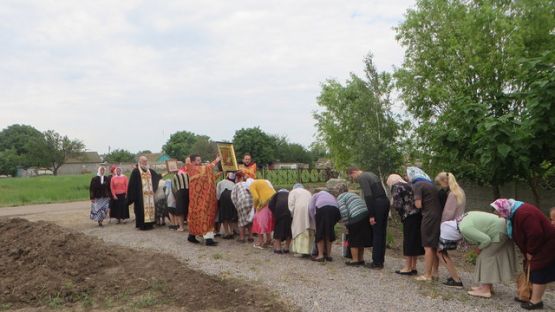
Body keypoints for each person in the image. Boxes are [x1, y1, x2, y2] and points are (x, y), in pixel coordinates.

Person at [491, 199, 555, 310]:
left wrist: (531, 251)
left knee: (538, 269)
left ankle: (536, 302)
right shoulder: (515, 213)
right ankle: (528, 296)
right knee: (534, 269)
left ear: (505, 209)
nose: (499, 216)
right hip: (541, 244)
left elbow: (535, 233)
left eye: (499, 213)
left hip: (547, 244)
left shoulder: (524, 213)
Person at [458, 211, 518, 298]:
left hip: (499, 232)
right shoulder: (464, 218)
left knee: (484, 257)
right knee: (488, 257)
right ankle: (487, 287)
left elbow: (486, 240)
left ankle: (485, 290)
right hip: (503, 228)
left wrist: (479, 249)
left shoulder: (464, 227)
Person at [348, 167, 390, 269]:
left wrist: (371, 215)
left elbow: (368, 196)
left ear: (353, 172)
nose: (354, 179)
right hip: (385, 202)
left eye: (352, 177)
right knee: (382, 233)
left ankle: (376, 262)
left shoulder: (362, 177)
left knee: (376, 233)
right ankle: (380, 261)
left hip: (377, 204)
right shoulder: (371, 174)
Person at [406, 166, 441, 281]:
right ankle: (435, 272)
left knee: (428, 246)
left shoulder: (417, 185)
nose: (407, 178)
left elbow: (419, 205)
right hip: (437, 216)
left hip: (428, 217)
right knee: (434, 246)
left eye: (407, 175)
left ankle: (427, 275)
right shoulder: (429, 184)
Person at [387, 174, 424, 276]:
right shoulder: (410, 185)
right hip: (418, 215)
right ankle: (413, 266)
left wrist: (396, 210)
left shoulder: (396, 186)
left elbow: (397, 204)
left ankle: (407, 267)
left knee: (408, 240)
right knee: (415, 241)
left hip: (408, 216)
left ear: (391, 182)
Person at [435, 172, 466, 288]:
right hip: (458, 225)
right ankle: (454, 276)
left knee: (440, 251)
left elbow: (448, 213)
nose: (440, 186)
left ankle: (456, 279)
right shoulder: (460, 191)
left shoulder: (452, 194)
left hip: (450, 226)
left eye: (440, 183)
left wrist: (440, 224)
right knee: (443, 251)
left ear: (445, 181)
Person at [185, 154, 221, 246]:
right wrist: (216, 160)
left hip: (201, 199)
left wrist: (220, 173)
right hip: (199, 199)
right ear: (192, 161)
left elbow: (209, 177)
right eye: (197, 160)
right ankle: (208, 240)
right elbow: (207, 168)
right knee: (204, 216)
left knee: (197, 217)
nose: (200, 162)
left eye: (200, 160)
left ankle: (191, 236)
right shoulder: (191, 168)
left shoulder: (199, 169)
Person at [337, 185, 372, 266]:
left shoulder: (340, 197)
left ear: (338, 192)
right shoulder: (353, 195)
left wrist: (347, 224)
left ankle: (355, 260)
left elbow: (343, 211)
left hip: (356, 216)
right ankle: (361, 259)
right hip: (366, 214)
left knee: (353, 238)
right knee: (361, 237)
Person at [127, 156, 161, 230]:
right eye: (143, 161)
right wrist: (133, 196)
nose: (145, 163)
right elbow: (132, 185)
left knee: (150, 209)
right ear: (140, 162)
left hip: (150, 196)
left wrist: (164, 174)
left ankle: (150, 224)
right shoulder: (136, 171)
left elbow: (157, 177)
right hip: (140, 196)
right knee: (141, 210)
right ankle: (142, 225)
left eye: (146, 161)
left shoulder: (150, 171)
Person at [308, 191, 341, 262]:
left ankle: (320, 255)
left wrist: (315, 221)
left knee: (320, 232)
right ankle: (328, 255)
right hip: (335, 209)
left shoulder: (315, 195)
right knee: (329, 231)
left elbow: (310, 208)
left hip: (322, 208)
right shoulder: (330, 195)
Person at [288, 183, 315, 257]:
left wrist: (293, 214)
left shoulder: (292, 192)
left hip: (299, 209)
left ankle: (300, 251)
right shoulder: (308, 192)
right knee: (309, 228)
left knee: (299, 228)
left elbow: (291, 205)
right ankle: (309, 250)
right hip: (310, 209)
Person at [249, 179, 276, 249]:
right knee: (268, 222)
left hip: (263, 204)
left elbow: (256, 198)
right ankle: (269, 240)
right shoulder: (262, 181)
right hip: (272, 202)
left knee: (259, 223)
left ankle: (261, 242)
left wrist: (255, 207)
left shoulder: (251, 185)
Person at [268, 189, 292, 254]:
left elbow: (270, 205)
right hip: (289, 212)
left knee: (278, 229)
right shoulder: (290, 194)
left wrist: (275, 213)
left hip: (279, 212)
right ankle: (286, 248)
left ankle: (278, 249)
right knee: (289, 229)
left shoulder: (276, 194)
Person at [216, 172, 237, 239]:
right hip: (231, 197)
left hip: (224, 197)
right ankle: (231, 232)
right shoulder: (233, 183)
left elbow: (218, 194)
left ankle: (226, 233)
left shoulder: (220, 182)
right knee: (230, 216)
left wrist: (218, 201)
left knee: (224, 216)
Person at [172, 161, 190, 232]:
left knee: (180, 211)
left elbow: (173, 187)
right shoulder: (188, 174)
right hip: (188, 191)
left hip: (179, 192)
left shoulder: (175, 175)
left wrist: (175, 194)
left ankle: (181, 227)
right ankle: (190, 227)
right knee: (188, 209)